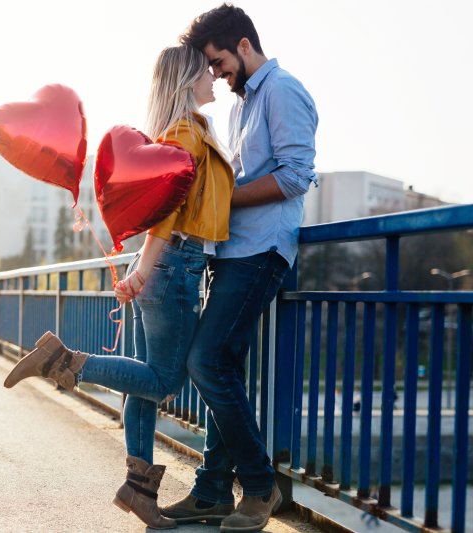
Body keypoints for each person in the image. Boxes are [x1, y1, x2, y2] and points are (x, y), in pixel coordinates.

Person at [3, 44, 234, 529]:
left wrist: (142, 270)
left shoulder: (180, 133)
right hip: (175, 266)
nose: (213, 77)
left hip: (166, 267)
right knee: (165, 380)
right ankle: (63, 361)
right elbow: (167, 218)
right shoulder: (186, 136)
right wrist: (147, 269)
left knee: (145, 383)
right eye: (205, 72)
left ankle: (139, 490)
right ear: (187, 81)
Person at [159, 5, 318, 532]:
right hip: (232, 253)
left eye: (221, 63)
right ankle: (210, 492)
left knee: (205, 362)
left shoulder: (283, 90)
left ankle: (258, 485)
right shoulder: (240, 106)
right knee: (222, 367)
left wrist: (218, 202)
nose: (219, 76)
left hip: (262, 252)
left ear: (244, 46)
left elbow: (295, 177)